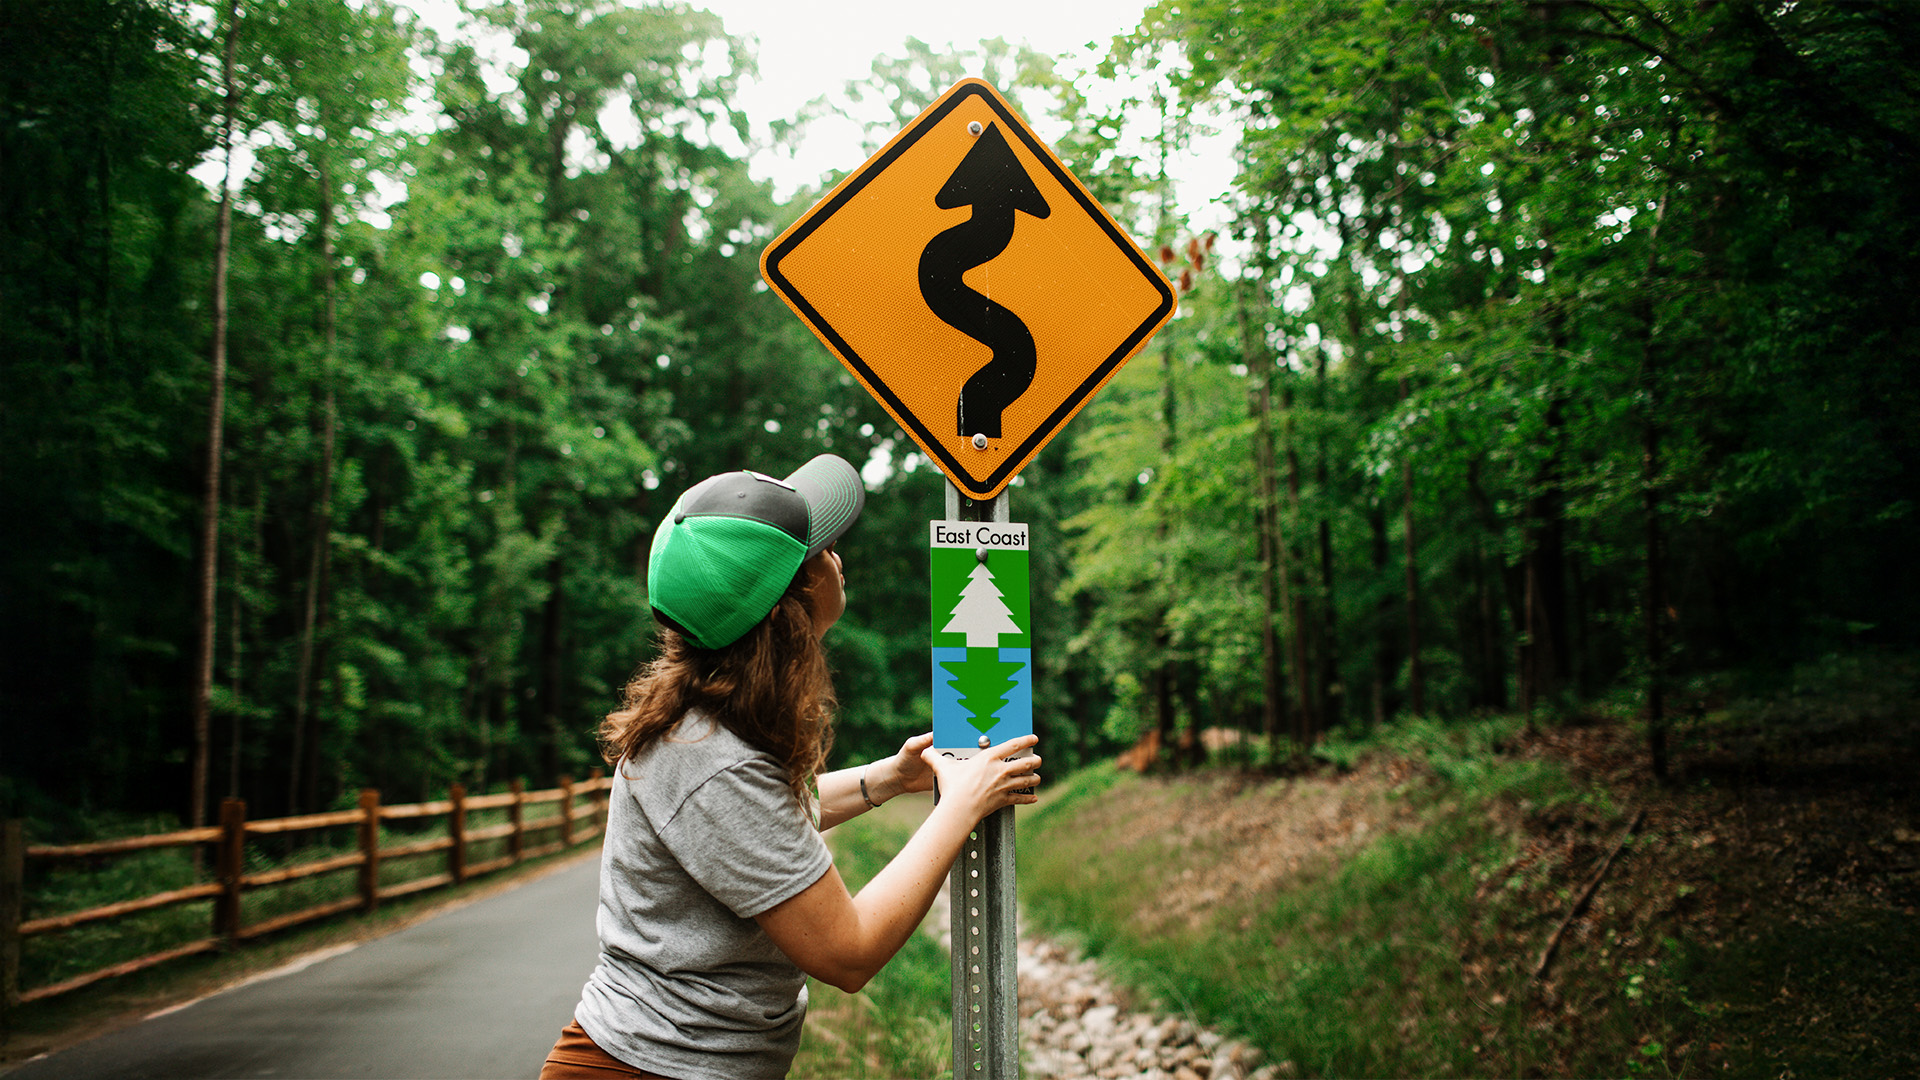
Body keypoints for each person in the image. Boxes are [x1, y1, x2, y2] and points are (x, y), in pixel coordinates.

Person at [541, 454, 1042, 1080]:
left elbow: (759, 824)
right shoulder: (709, 761)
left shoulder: (710, 721)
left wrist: (887, 778)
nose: (839, 557)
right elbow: (849, 952)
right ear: (796, 596)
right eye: (823, 547)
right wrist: (960, 805)